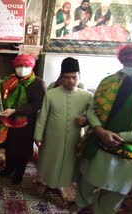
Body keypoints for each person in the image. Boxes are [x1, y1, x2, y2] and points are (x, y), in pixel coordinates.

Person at [75, 43, 132, 214]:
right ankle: (83, 207)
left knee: (116, 190)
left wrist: (124, 136)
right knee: (87, 181)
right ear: (122, 60)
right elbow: (91, 109)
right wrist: (100, 131)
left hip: (130, 152)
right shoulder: (108, 82)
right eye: (129, 59)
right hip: (98, 142)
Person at [34, 57, 92, 202]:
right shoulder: (51, 94)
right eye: (66, 77)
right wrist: (38, 135)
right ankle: (44, 182)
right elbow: (42, 116)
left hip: (74, 137)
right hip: (52, 137)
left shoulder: (87, 96)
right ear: (61, 77)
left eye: (74, 77)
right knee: (48, 160)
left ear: (79, 76)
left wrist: (85, 120)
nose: (71, 81)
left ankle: (60, 186)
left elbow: (92, 117)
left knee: (67, 164)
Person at [0, 54, 46, 185]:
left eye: (26, 66)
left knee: (23, 150)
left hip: (26, 124)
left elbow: (36, 105)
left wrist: (16, 111)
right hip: (9, 121)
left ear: (32, 67)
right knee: (10, 148)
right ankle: (9, 168)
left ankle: (19, 173)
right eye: (19, 66)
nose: (23, 68)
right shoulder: (8, 80)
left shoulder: (38, 83)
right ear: (15, 66)